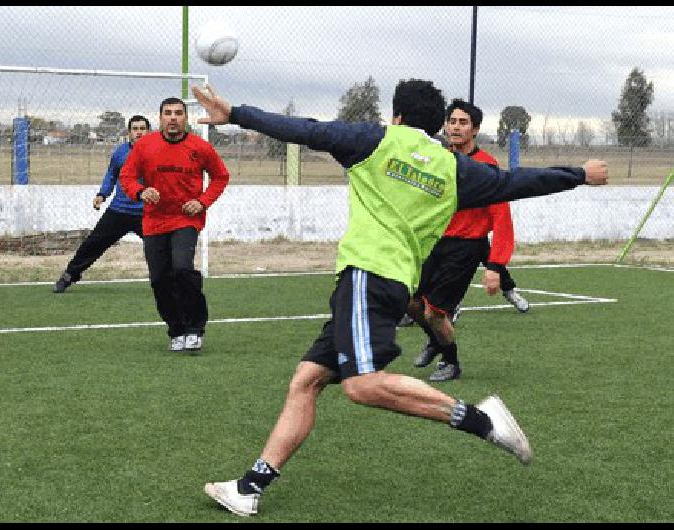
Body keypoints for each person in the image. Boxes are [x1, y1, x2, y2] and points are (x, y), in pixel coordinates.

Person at [192, 81, 608, 517]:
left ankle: (485, 422)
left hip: (367, 277)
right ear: (438, 125)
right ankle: (250, 487)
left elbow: (305, 129)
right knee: (308, 380)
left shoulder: (375, 140)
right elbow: (516, 182)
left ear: (397, 116)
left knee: (362, 385)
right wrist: (578, 174)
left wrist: (236, 113)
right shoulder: (454, 168)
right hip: (392, 286)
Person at [406, 98, 524, 382]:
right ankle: (436, 341)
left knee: (435, 313)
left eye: (463, 123)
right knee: (408, 301)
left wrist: (495, 266)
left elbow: (502, 217)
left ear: (475, 129)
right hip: (434, 243)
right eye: (452, 121)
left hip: (466, 247)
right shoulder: (437, 159)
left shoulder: (486, 166)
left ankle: (450, 361)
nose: (456, 127)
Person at [119, 97, 230, 352]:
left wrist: (202, 202)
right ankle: (176, 329)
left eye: (178, 113)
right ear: (160, 118)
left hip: (185, 219)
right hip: (154, 221)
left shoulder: (200, 147)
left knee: (182, 269)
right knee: (159, 278)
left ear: (185, 118)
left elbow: (220, 176)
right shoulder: (145, 146)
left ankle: (195, 327)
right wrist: (140, 191)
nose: (172, 118)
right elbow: (127, 176)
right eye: (167, 113)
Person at [53, 115, 151, 293]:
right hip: (119, 211)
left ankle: (169, 284)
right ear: (129, 133)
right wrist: (102, 194)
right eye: (135, 129)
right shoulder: (120, 152)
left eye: (142, 128)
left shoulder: (157, 153)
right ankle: (69, 275)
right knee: (93, 244)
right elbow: (111, 176)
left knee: (161, 249)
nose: (139, 132)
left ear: (148, 131)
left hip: (147, 213)